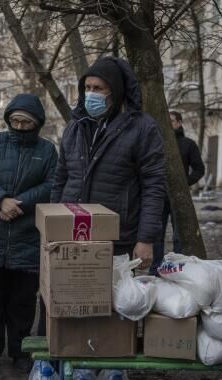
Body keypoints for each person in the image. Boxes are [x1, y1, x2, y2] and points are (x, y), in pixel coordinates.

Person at [0, 93, 58, 378]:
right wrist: (1, 200)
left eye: (26, 122)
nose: (19, 126)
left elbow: (53, 184)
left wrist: (19, 204)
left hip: (26, 236)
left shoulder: (47, 150)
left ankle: (20, 351)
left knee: (21, 301)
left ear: (37, 124)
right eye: (15, 120)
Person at [51, 56, 166, 263]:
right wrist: (51, 224)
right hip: (71, 233)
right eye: (87, 87)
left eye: (98, 88)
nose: (90, 94)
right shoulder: (75, 126)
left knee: (115, 295)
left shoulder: (142, 128)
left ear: (116, 91)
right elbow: (61, 178)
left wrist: (146, 239)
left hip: (118, 239)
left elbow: (153, 186)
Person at [151, 111, 205, 269]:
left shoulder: (188, 144)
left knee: (178, 237)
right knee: (156, 236)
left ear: (180, 123)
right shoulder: (156, 142)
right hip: (158, 195)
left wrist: (184, 184)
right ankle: (155, 269)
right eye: (166, 121)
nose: (169, 124)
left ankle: (177, 269)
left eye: (172, 121)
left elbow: (199, 169)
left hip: (179, 198)